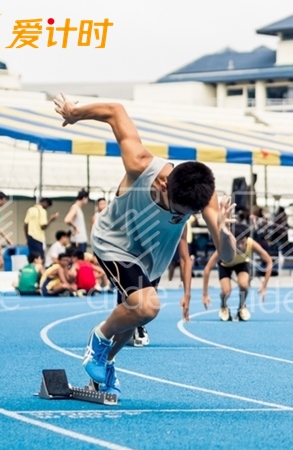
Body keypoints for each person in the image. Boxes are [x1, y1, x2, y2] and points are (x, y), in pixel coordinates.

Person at [53, 94, 237, 399]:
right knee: (147, 305)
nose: (182, 217)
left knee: (133, 315)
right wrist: (75, 113)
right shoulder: (140, 165)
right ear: (164, 184)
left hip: (150, 258)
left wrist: (225, 236)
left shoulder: (203, 198)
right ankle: (97, 338)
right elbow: (115, 110)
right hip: (113, 242)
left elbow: (227, 257)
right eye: (178, 211)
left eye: (187, 215)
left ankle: (104, 366)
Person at [202, 225, 273, 322]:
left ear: (246, 240)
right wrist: (205, 294)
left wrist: (264, 286)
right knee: (226, 291)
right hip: (225, 265)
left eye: (242, 242)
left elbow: (269, 261)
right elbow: (207, 269)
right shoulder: (224, 246)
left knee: (244, 285)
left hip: (241, 263)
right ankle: (223, 305)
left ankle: (242, 307)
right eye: (237, 243)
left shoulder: (251, 244)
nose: (239, 246)